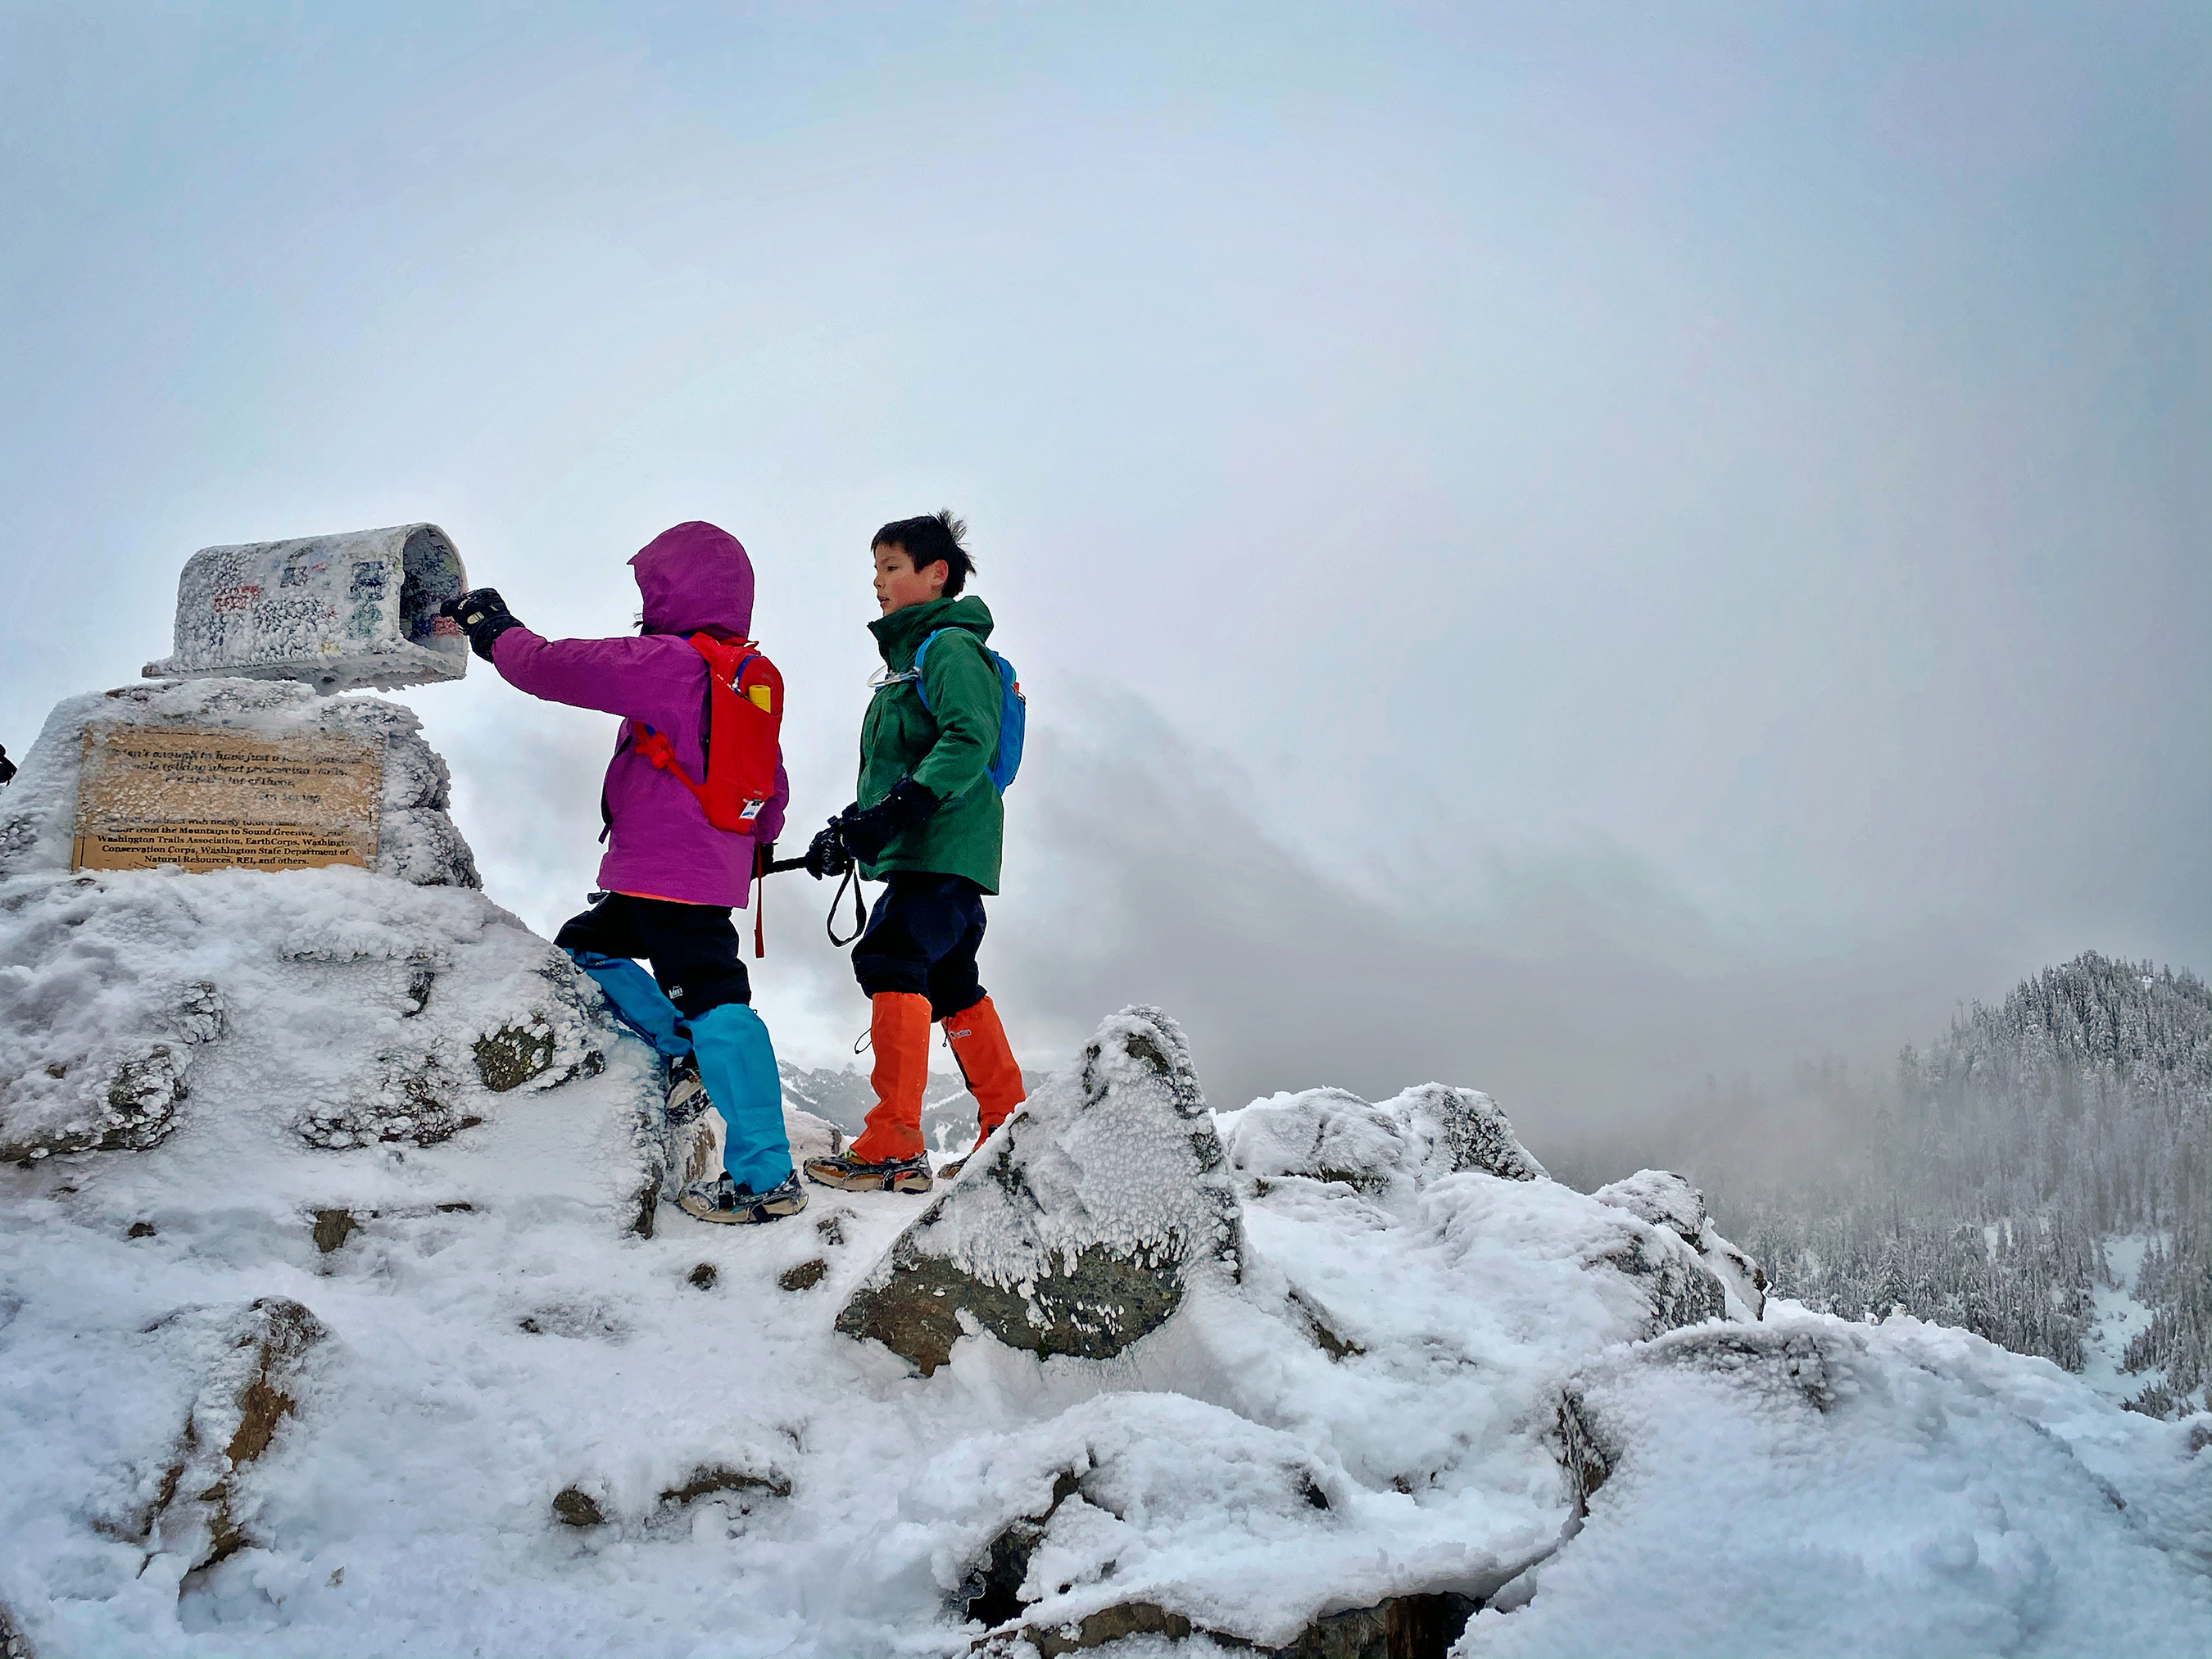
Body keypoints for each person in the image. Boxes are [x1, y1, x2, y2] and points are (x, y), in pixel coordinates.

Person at [441, 521, 805, 1226]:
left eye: (652, 588)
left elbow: (556, 667)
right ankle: (682, 1049)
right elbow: (773, 787)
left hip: (670, 875)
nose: (644, 602)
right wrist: (747, 850)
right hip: (676, 874)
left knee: (718, 998)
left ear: (677, 589)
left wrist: (496, 632)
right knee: (583, 945)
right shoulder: (743, 680)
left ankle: (765, 1175)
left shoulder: (672, 662)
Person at [800, 510, 1027, 1194]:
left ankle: (895, 1144)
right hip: (931, 847)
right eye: (875, 570)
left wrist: (897, 813)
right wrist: (851, 829)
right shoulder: (906, 662)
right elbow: (902, 765)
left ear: (938, 574)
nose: (878, 582)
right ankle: (1008, 1127)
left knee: (892, 955)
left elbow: (968, 741)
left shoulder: (949, 648)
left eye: (891, 567)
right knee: (952, 981)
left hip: (939, 844)